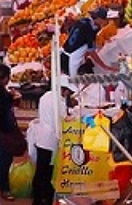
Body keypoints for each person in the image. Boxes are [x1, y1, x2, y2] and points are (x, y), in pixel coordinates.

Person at [33, 75, 78, 205]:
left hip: (41, 137)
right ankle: (45, 199)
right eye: (67, 91)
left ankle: (37, 199)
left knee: (40, 171)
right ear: (63, 89)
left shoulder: (46, 96)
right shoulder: (59, 101)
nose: (68, 94)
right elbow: (63, 119)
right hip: (51, 140)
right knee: (47, 172)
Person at [0, 63, 25, 200]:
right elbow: (8, 106)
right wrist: (13, 97)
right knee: (6, 157)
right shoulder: (4, 95)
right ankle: (5, 188)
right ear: (5, 78)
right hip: (4, 129)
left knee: (1, 155)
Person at [61, 8, 109, 78]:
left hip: (64, 55)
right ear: (100, 19)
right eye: (105, 20)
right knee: (76, 83)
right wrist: (104, 66)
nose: (105, 22)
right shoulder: (90, 30)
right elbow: (92, 52)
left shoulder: (82, 20)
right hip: (72, 60)